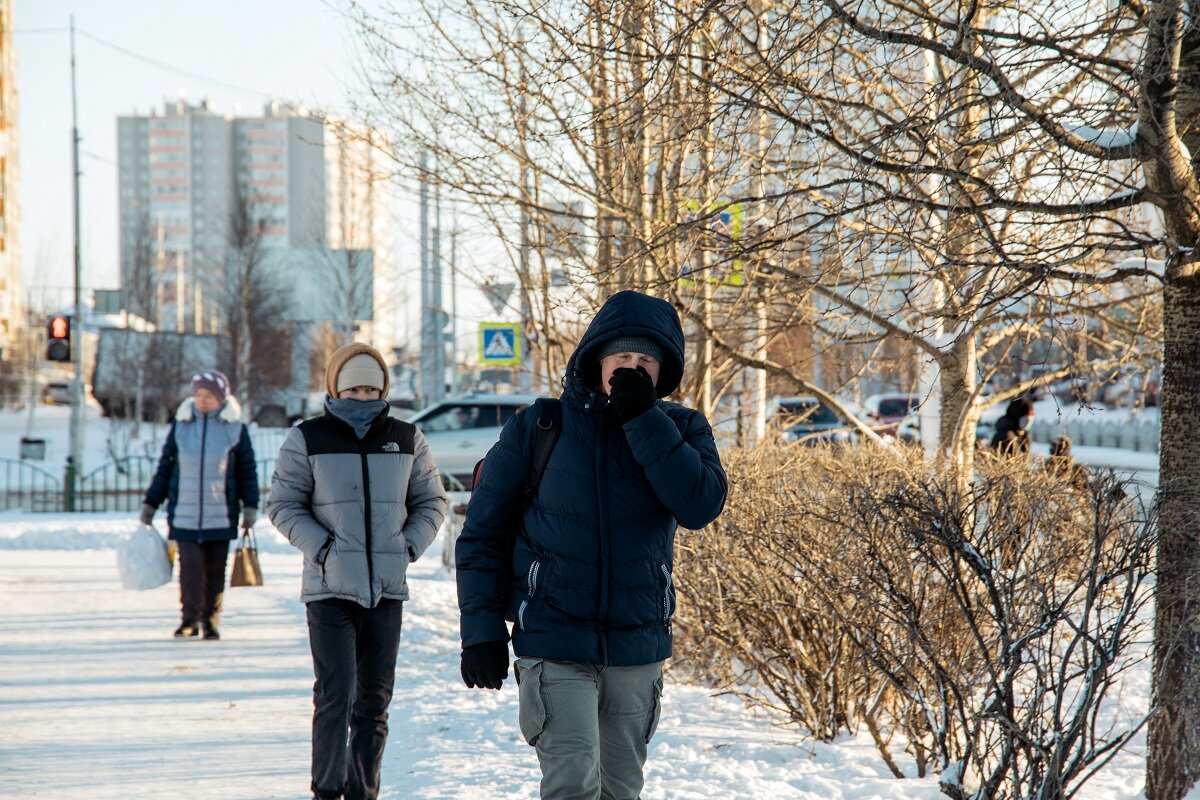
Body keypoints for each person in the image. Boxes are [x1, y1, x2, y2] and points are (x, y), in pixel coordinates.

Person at [456, 290, 729, 800]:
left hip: (636, 641)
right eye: (621, 357)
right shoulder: (540, 426)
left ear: (662, 370)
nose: (631, 367)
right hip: (554, 637)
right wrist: (481, 631)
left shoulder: (681, 428)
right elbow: (482, 536)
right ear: (596, 360)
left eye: (645, 360)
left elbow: (700, 506)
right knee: (573, 783)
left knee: (620, 789)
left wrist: (643, 418)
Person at [267, 342, 447, 800]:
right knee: (335, 696)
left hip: (386, 590)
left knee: (373, 702)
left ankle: (364, 791)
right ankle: (327, 789)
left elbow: (432, 501)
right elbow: (284, 505)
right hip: (328, 590)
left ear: (384, 388)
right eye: (354, 388)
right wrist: (323, 548)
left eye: (371, 388)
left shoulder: (407, 438)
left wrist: (407, 546)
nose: (363, 397)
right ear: (335, 388)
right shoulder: (308, 438)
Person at [140, 370, 259, 641]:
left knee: (215, 571)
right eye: (198, 395)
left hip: (221, 514)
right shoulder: (181, 426)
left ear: (221, 398)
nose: (202, 401)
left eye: (208, 396)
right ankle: (189, 620)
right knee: (190, 568)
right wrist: (151, 503)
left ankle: (211, 620)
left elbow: (247, 472)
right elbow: (165, 468)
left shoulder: (235, 430)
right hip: (184, 514)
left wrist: (250, 507)